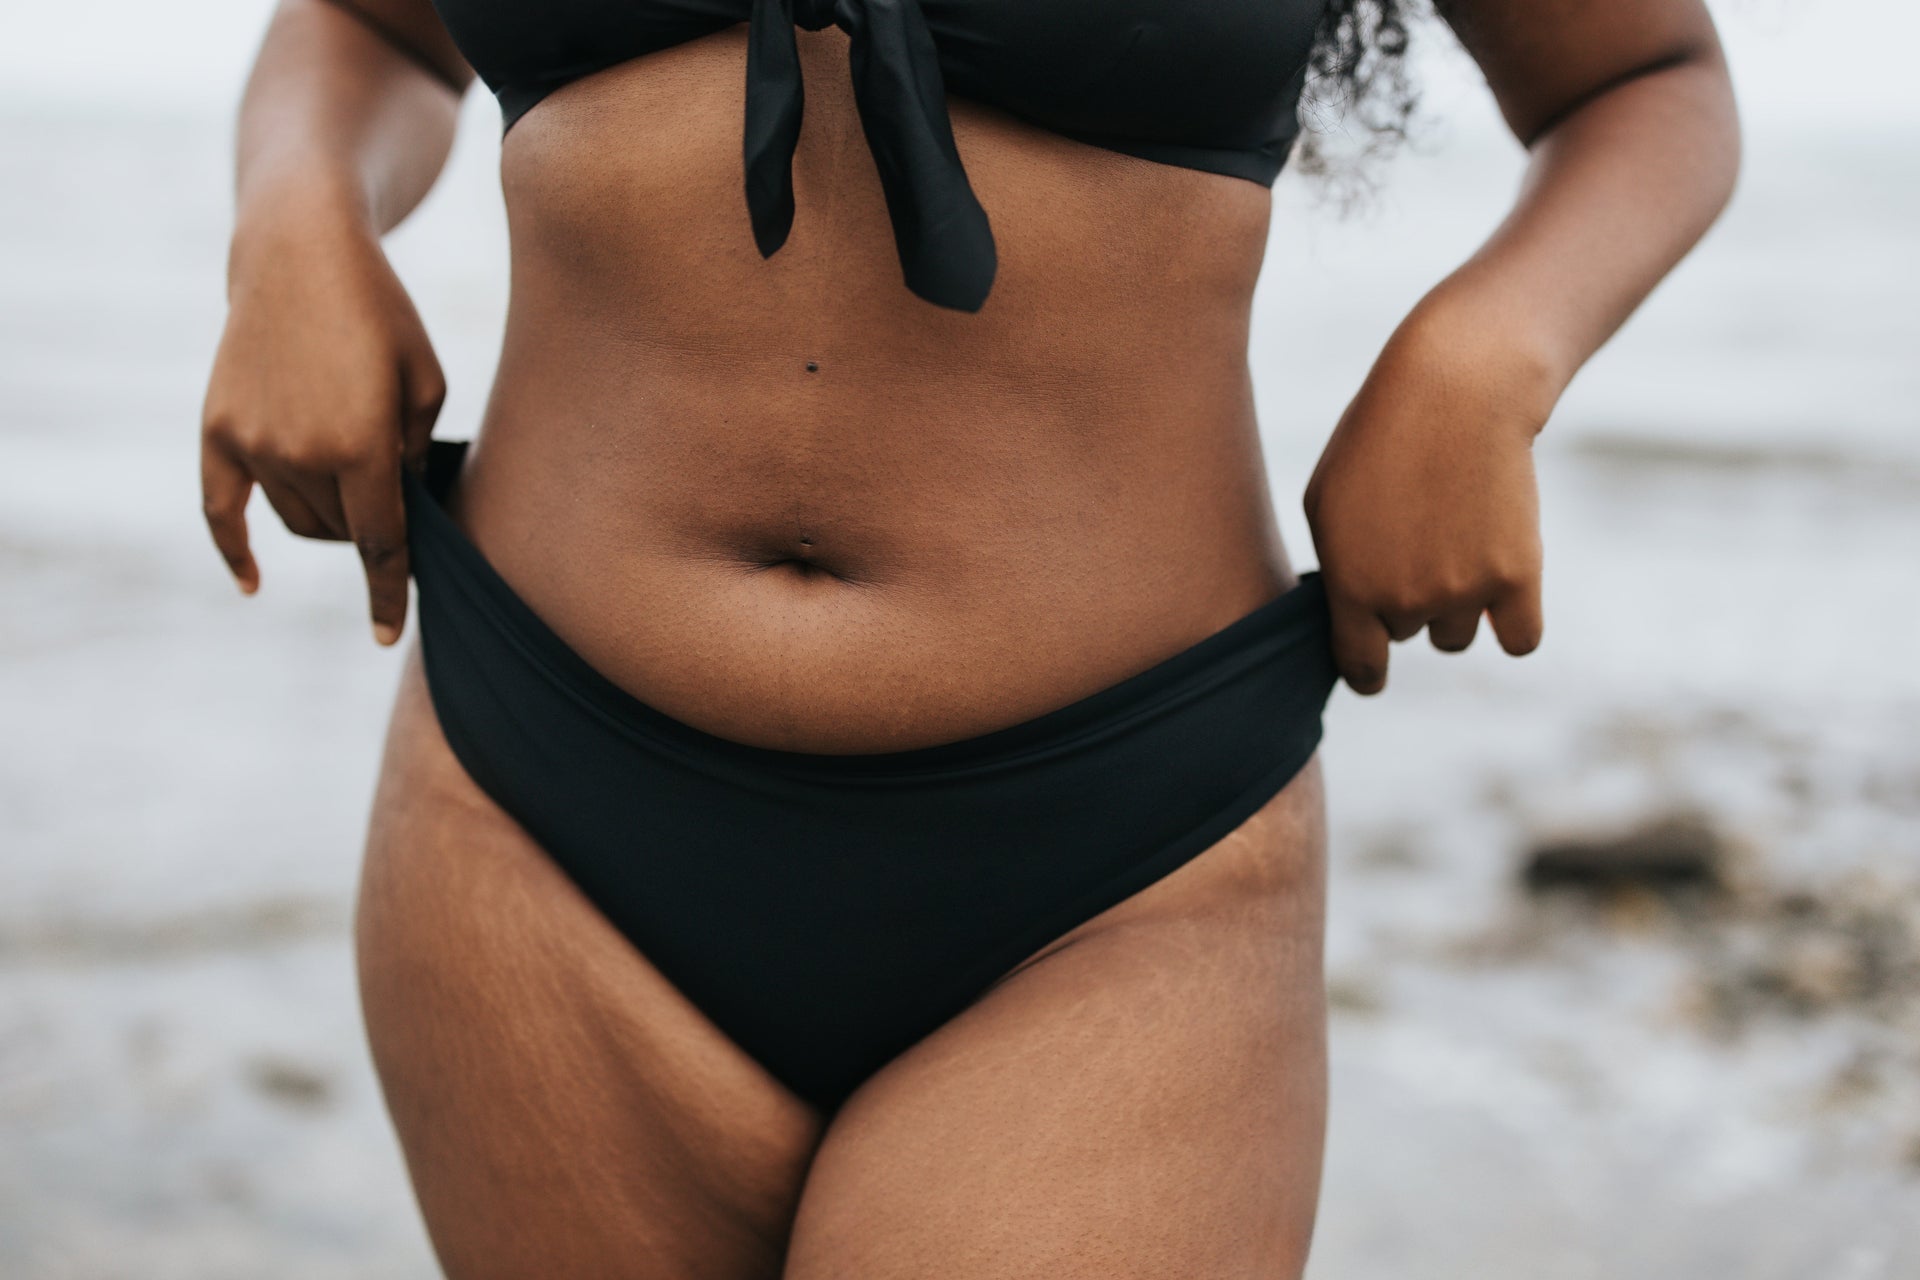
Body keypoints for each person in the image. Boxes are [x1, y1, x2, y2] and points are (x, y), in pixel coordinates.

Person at [198, 0, 1739, 1273]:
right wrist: (294, 220)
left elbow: (1649, 81)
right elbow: (374, 36)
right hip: (532, 806)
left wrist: (1483, 358)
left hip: (1121, 876)